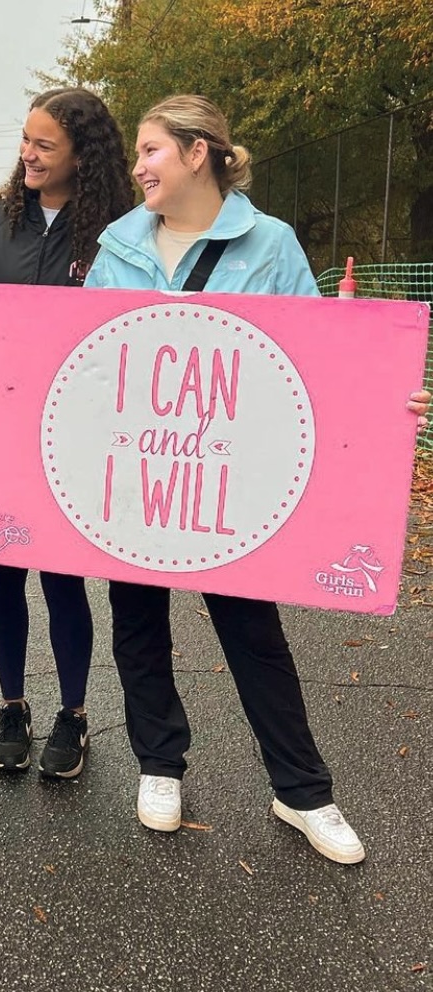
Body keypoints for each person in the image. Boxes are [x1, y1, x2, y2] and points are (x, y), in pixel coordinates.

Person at [84, 93, 431, 864]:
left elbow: (320, 353)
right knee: (136, 616)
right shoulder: (118, 244)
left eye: (150, 150)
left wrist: (388, 395)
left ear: (197, 151)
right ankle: (159, 763)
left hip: (232, 480)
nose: (137, 165)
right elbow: (79, 355)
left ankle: (302, 788)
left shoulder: (268, 244)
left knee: (252, 628)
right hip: (139, 472)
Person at [0, 87, 134, 779]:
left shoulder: (119, 233)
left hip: (77, 439)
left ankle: (74, 713)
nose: (27, 155)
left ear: (82, 155)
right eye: (25, 140)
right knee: (4, 575)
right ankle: (12, 706)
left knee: (64, 579)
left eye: (44, 145)